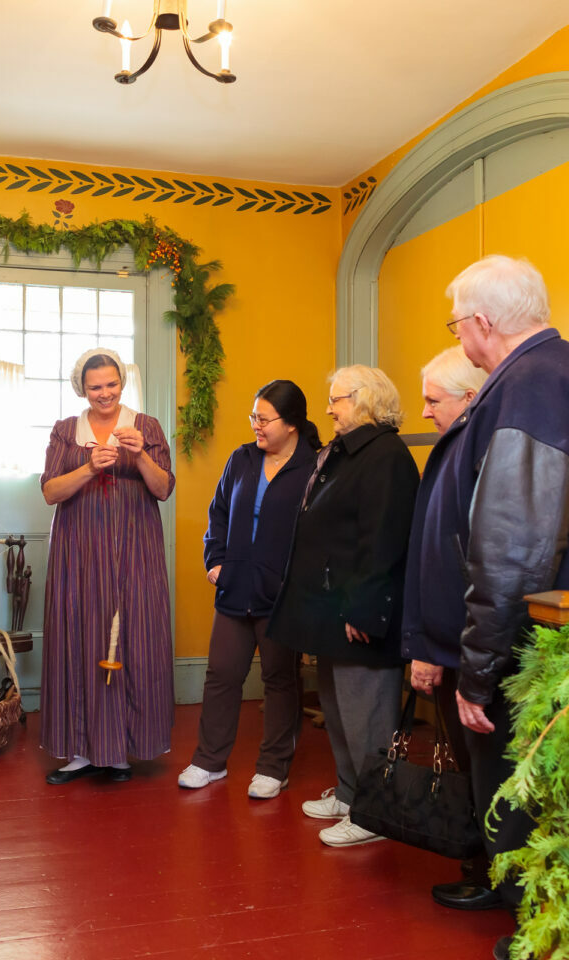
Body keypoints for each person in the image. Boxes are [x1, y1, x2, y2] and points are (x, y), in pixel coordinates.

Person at [424, 256, 569, 960]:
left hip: (535, 647)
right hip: (552, 635)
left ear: (482, 323)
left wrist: (477, 671)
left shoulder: (533, 386)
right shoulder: (561, 371)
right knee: (523, 793)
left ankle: (542, 927)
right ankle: (519, 898)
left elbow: (515, 547)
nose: (459, 338)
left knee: (534, 791)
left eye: (457, 325)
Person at [269, 365, 419, 846]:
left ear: (366, 400)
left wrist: (365, 608)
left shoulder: (387, 456)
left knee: (366, 713)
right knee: (336, 707)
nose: (329, 408)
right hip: (331, 610)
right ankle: (352, 792)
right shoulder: (350, 452)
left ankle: (374, 812)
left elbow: (384, 540)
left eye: (337, 399)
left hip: (360, 614)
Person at [177, 380, 322, 798]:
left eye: (264, 418)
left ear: (292, 424)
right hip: (234, 587)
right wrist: (215, 561)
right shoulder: (241, 458)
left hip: (281, 597)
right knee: (221, 674)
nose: (256, 425)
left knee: (279, 679)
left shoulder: (312, 467)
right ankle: (209, 761)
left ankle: (274, 768)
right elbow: (218, 512)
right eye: (253, 417)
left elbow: (316, 534)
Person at [39, 348, 175, 784]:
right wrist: (87, 466)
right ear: (82, 388)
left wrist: (141, 457)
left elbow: (164, 488)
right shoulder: (65, 431)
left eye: (112, 384)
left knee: (134, 637)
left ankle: (121, 751)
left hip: (136, 550)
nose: (105, 394)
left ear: (122, 382)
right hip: (77, 554)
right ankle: (80, 749)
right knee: (77, 637)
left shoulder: (145, 427)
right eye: (96, 386)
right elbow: (50, 492)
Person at [398, 346, 490, 908]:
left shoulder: (473, 451)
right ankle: (481, 863)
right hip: (450, 640)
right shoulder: (455, 448)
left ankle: (488, 871)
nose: (425, 411)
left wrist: (430, 647)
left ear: (470, 397)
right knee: (466, 762)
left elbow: (464, 564)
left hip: (462, 645)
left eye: (434, 400)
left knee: (478, 767)